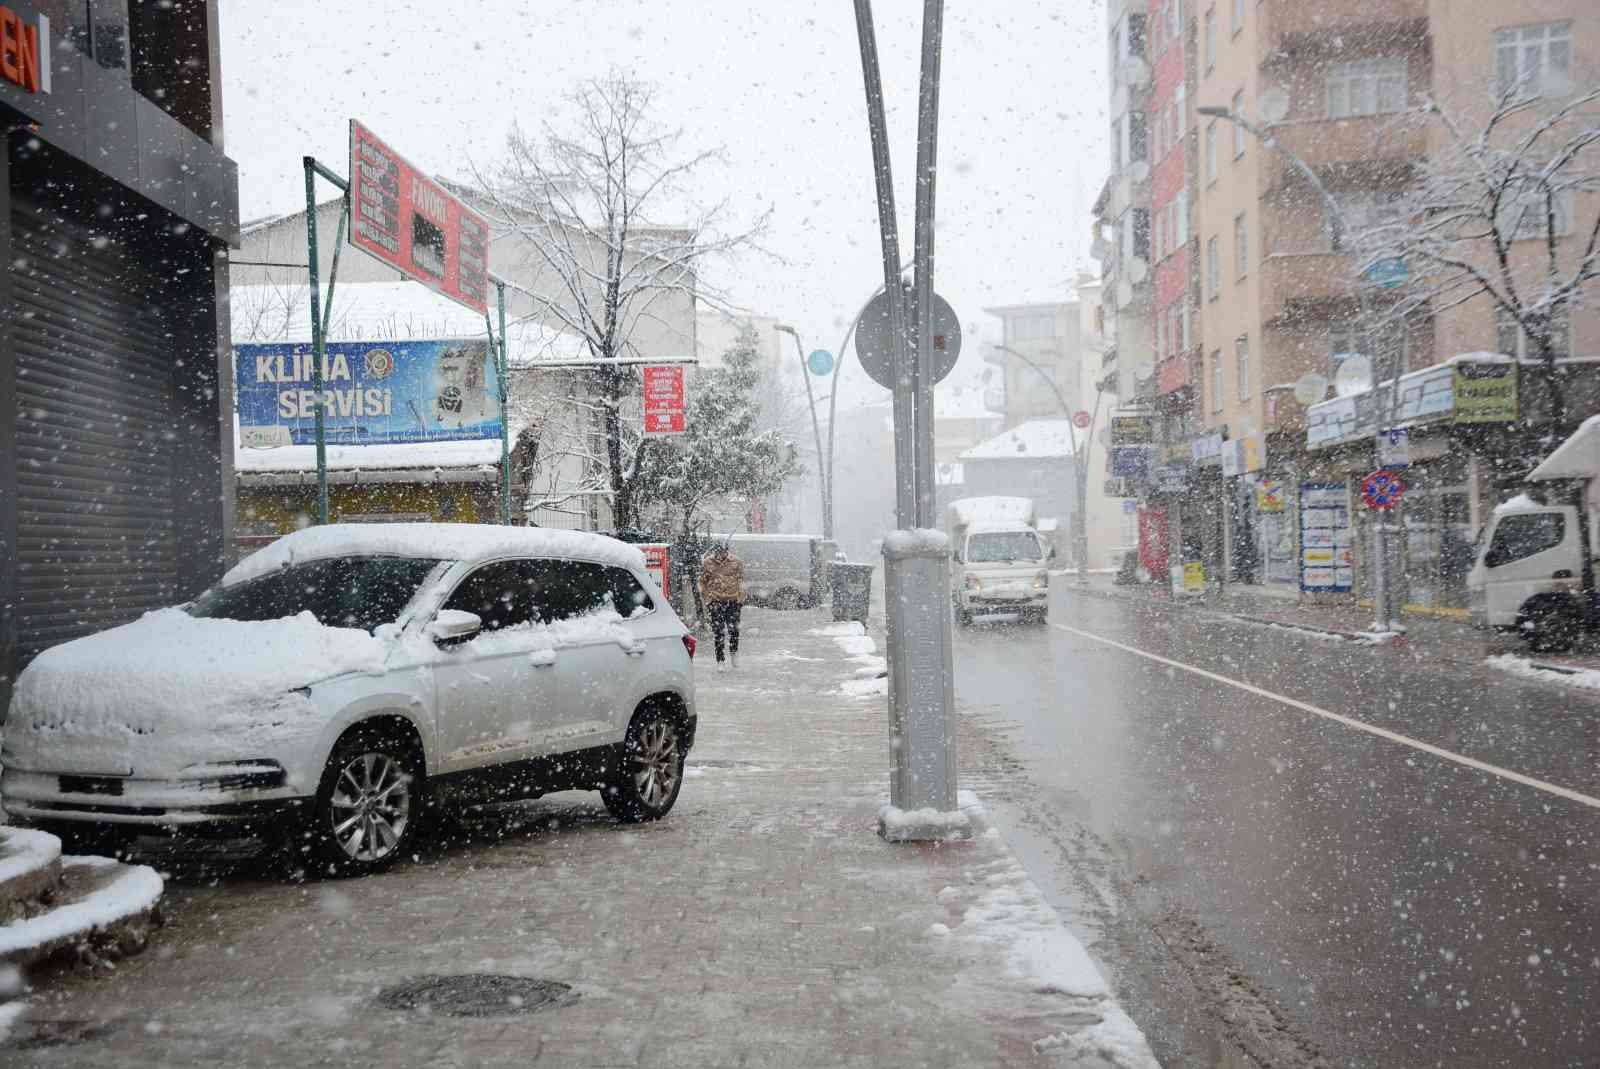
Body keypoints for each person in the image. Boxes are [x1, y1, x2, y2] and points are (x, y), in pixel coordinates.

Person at [699, 541, 745, 670]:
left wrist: (740, 599)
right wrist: (708, 599)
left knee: (734, 630)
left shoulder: (736, 562)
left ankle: (734, 652)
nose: (721, 555)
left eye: (723, 552)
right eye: (718, 552)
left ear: (727, 551)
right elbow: (702, 582)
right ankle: (720, 660)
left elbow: (741, 580)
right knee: (718, 631)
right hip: (715, 602)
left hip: (733, 601)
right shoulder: (708, 562)